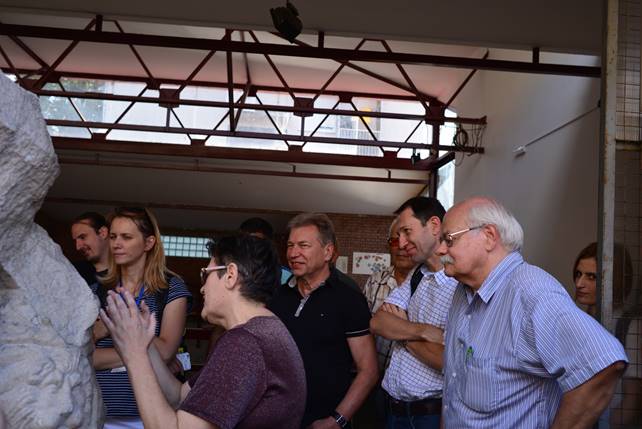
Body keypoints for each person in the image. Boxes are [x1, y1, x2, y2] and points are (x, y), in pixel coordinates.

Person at [438, 196, 628, 428]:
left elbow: (604, 363)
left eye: (449, 239)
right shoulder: (463, 291)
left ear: (488, 236)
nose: (440, 250)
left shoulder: (530, 292)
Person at [100, 234, 307, 429]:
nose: (201, 288)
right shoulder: (264, 330)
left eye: (205, 274)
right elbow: (179, 396)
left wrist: (134, 354)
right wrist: (145, 345)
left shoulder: (245, 343)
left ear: (230, 275)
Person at [268, 212, 378, 429]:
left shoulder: (348, 299)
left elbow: (368, 370)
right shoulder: (276, 297)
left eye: (303, 245)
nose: (293, 253)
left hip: (323, 421)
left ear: (327, 252)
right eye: (290, 245)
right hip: (277, 418)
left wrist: (337, 420)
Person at [92, 207, 192, 428]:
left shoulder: (171, 288)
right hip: (98, 413)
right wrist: (140, 349)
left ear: (148, 243)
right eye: (113, 236)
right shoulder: (96, 290)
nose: (117, 243)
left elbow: (166, 352)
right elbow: (86, 356)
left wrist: (118, 324)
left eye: (126, 237)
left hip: (148, 415)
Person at [370, 197, 458, 429]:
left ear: (435, 225)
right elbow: (379, 322)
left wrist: (401, 330)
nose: (401, 243)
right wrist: (424, 331)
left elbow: (449, 361)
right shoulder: (418, 274)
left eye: (407, 232)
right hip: (391, 408)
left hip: (429, 415)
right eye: (398, 236)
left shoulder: (460, 283)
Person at [573, 242, 640, 428]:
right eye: (578, 274)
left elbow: (632, 400)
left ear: (613, 279)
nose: (580, 284)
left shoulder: (629, 326)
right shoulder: (575, 321)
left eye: (591, 277)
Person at [361, 218, 414, 426]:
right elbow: (364, 328)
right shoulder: (376, 280)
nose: (401, 248)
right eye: (394, 242)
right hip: (376, 380)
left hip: (410, 389)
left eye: (408, 243)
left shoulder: (428, 283)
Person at [70, 211, 110, 285]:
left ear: (102, 233)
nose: (78, 247)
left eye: (82, 237)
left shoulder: (126, 272)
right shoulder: (73, 271)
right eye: (75, 241)